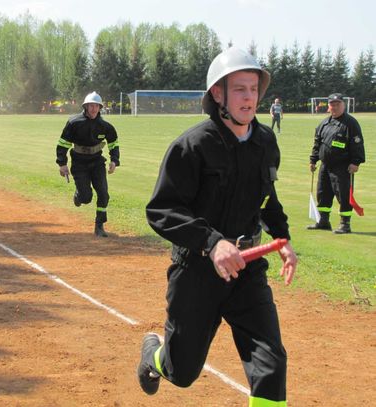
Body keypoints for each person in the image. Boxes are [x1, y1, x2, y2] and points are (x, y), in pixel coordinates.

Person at [136, 48, 298, 407]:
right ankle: (153, 356)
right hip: (198, 270)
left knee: (271, 366)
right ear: (218, 95)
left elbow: (266, 197)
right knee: (182, 372)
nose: (249, 98)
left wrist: (281, 237)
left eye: (254, 89)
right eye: (239, 89)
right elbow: (161, 209)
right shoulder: (192, 146)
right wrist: (211, 243)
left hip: (248, 268)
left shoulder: (265, 142)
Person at [56, 91, 120, 237]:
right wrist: (62, 163)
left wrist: (114, 160)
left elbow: (114, 143)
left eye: (96, 106)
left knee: (103, 194)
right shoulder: (74, 123)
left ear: (100, 108)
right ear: (85, 107)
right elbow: (63, 144)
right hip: (79, 163)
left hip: (97, 162)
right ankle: (79, 195)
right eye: (90, 105)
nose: (93, 109)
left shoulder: (106, 126)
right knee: (86, 197)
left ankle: (99, 226)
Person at [307, 93, 365, 234]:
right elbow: (317, 143)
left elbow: (357, 143)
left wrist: (355, 162)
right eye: (332, 104)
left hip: (343, 166)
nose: (334, 106)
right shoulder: (324, 123)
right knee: (323, 193)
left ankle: (345, 224)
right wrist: (313, 160)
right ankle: (323, 221)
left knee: (343, 194)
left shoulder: (350, 123)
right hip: (325, 166)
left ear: (343, 105)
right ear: (328, 106)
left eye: (337, 104)